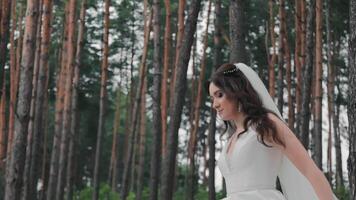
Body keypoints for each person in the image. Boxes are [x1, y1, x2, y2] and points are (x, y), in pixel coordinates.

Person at [207, 63, 338, 200]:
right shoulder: (231, 139)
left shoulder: (266, 124)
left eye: (219, 95)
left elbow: (309, 169)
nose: (215, 104)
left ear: (236, 91)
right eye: (212, 98)